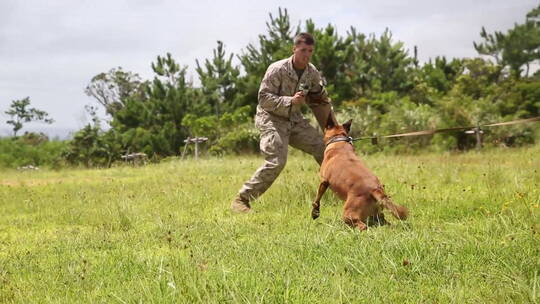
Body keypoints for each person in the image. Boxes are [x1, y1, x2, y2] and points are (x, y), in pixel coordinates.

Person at [231, 32, 337, 213]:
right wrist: (289, 101)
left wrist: (335, 132)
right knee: (277, 161)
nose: (306, 54)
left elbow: (320, 102)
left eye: (310, 51)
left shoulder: (312, 73)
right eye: (303, 50)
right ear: (294, 49)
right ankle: (242, 199)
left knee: (324, 149)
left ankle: (344, 190)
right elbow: (263, 98)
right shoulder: (277, 69)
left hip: (294, 120)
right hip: (271, 119)